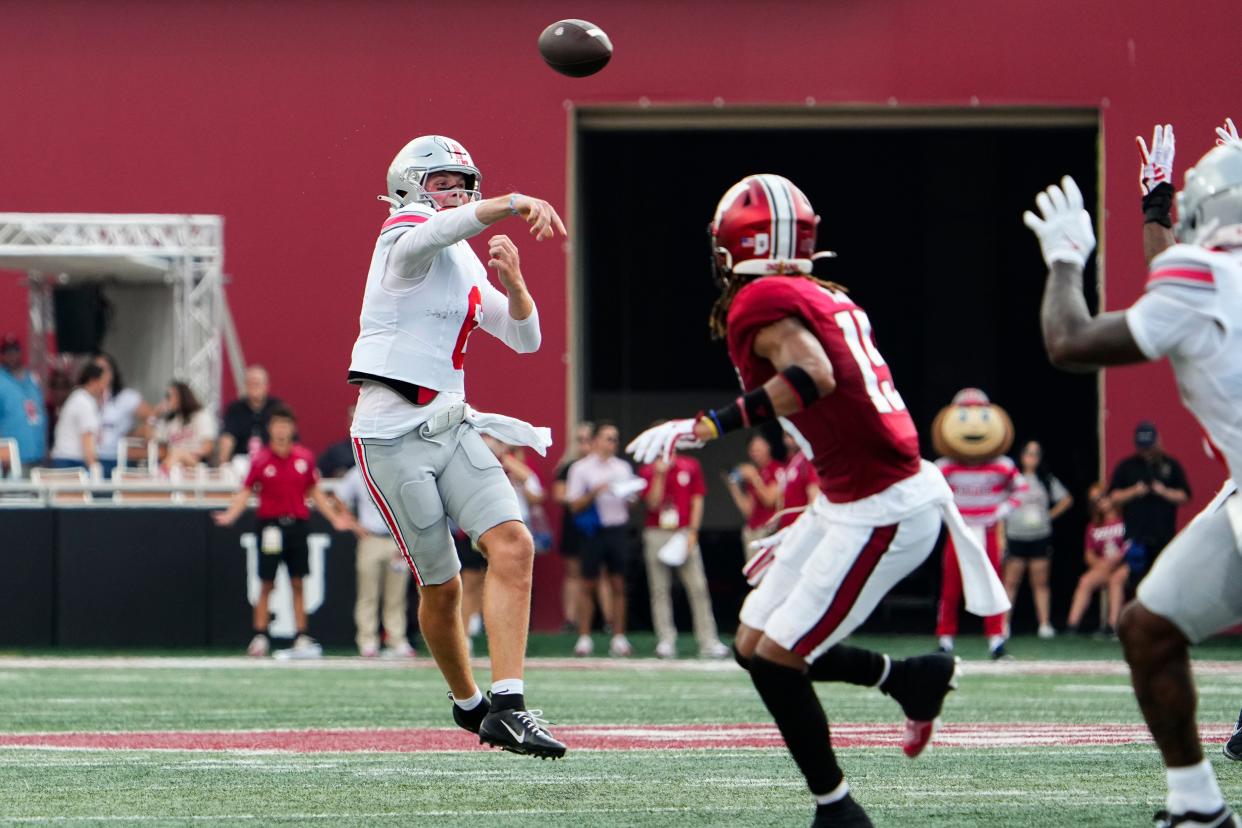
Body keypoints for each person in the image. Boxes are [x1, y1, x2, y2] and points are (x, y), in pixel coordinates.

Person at [627, 173, 1008, 827]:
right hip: (849, 498)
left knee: (779, 657)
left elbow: (813, 376)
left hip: (885, 508)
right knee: (751, 643)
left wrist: (707, 427)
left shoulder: (760, 301)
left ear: (730, 249)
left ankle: (837, 811)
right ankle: (907, 679)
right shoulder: (819, 293)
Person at [1022, 120, 1242, 825]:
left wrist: (1064, 260)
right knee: (1148, 625)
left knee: (1148, 629)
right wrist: (1155, 205)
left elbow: (1071, 343)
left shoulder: (1203, 274)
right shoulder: (1203, 278)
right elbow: (1179, 296)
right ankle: (1197, 805)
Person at [346, 134, 567, 758]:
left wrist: (517, 282)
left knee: (513, 544)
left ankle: (511, 704)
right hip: (391, 435)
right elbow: (432, 234)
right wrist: (514, 200)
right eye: (446, 182)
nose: (462, 193)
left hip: (451, 424)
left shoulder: (466, 258)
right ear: (412, 186)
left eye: (466, 183)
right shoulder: (400, 235)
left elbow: (524, 339)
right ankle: (469, 702)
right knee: (440, 587)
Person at [213, 405, 350, 658]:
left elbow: (314, 491)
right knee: (267, 582)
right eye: (277, 425)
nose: (281, 430)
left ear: (292, 428)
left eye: (285, 425)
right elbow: (246, 490)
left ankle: (301, 634)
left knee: (298, 581)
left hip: (297, 525)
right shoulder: (261, 459)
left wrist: (334, 517)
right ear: (270, 429)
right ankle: (261, 635)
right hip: (270, 527)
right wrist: (231, 514)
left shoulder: (304, 457)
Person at [931, 388, 1027, 659]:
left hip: (988, 529)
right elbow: (928, 494)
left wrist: (1002, 510)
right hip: (959, 531)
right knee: (951, 586)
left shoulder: (1003, 465)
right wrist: (945, 516)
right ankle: (945, 640)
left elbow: (1021, 489)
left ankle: (996, 640)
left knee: (992, 583)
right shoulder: (944, 466)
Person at [638, 439, 728, 659]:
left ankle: (708, 640)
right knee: (660, 589)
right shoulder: (648, 471)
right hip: (657, 531)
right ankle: (666, 639)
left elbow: (697, 500)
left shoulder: (690, 465)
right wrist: (659, 474)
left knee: (698, 587)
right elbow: (652, 503)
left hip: (683, 532)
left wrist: (694, 531)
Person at [566, 421, 640, 657]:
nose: (613, 443)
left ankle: (618, 637)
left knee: (618, 583)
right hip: (593, 532)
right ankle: (584, 637)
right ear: (596, 440)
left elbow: (634, 499)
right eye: (608, 438)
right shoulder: (580, 468)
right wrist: (595, 491)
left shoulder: (623, 468)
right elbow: (574, 505)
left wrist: (628, 493)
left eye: (615, 438)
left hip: (617, 529)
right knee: (588, 583)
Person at [334, 463, 415, 658]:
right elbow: (338, 497)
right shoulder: (359, 471)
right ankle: (367, 640)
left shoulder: (402, 470)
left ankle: (397, 639)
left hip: (397, 539)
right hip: (370, 538)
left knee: (396, 595)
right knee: (368, 593)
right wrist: (354, 524)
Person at [1003, 440, 1073, 639]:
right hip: (1015, 535)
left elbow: (1067, 499)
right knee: (1011, 582)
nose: (1032, 457)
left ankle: (1044, 624)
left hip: (1039, 536)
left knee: (1040, 582)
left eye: (1036, 453)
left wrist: (1049, 516)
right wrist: (1002, 536)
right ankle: (1004, 625)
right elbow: (1000, 504)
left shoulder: (1046, 479)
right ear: (1021, 455)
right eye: (1028, 453)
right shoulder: (1012, 479)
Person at [1108, 421, 1190, 585]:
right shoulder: (1127, 466)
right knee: (1137, 581)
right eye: (1143, 447)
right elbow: (1113, 497)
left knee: (1164, 580)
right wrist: (1134, 491)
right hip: (1136, 536)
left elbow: (1185, 496)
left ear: (1157, 441)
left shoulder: (1170, 465)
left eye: (1149, 446)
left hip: (1163, 535)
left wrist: (1163, 491)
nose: (1146, 451)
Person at [552, 421, 612, 632]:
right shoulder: (569, 467)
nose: (584, 444)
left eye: (588, 439)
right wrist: (584, 495)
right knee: (574, 573)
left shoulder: (608, 467)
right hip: (576, 524)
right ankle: (571, 620)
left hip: (602, 524)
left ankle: (608, 621)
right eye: (580, 440)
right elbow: (559, 495)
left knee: (603, 572)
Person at [1065, 483, 1129, 635]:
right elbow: (1089, 554)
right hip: (1103, 566)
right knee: (1085, 581)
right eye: (1095, 501)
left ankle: (1112, 625)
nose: (1100, 503)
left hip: (1125, 565)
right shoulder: (1093, 526)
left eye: (1102, 497)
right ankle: (1072, 626)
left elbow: (1130, 545)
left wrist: (1116, 560)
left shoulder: (1125, 520)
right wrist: (1100, 564)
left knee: (1116, 580)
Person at [93, 352, 152, 477]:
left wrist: (136, 434)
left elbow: (151, 417)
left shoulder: (126, 397)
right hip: (93, 457)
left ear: (112, 372)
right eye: (96, 369)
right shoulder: (85, 398)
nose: (100, 374)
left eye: (104, 369)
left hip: (118, 458)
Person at [724, 433, 782, 557]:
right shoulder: (756, 473)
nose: (756, 453)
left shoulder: (777, 469)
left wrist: (754, 477)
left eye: (759, 449)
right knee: (753, 573)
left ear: (768, 447)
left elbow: (770, 500)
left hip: (769, 531)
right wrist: (733, 486)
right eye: (753, 450)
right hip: (753, 532)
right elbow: (748, 511)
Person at [49, 362, 110, 471]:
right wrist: (94, 468)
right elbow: (87, 438)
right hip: (70, 462)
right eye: (104, 383)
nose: (105, 388)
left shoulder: (78, 398)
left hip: (66, 459)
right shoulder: (84, 402)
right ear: (93, 381)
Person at [217, 365, 283, 464]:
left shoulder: (277, 408)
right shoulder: (235, 408)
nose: (254, 387)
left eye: (257, 383)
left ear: (266, 385)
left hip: (272, 459)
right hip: (241, 460)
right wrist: (223, 464)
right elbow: (227, 437)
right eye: (250, 383)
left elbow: (288, 438)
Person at [0, 334, 47, 473]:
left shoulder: (32, 378)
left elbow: (40, 413)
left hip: (37, 453)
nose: (12, 355)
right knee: (17, 494)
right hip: (13, 458)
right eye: (7, 352)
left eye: (15, 350)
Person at [153, 381, 218, 472]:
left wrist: (187, 452)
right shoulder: (169, 420)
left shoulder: (200, 415)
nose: (168, 400)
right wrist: (154, 415)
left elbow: (208, 448)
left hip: (196, 462)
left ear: (181, 396)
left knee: (178, 453)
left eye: (170, 396)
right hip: (173, 462)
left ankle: (161, 477)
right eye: (166, 396)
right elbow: (153, 441)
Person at [776, 432, 819, 529]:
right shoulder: (791, 461)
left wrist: (805, 528)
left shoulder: (807, 458)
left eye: (791, 435)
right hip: (788, 528)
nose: (788, 439)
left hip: (800, 528)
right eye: (785, 435)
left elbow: (813, 498)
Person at [317, 405, 358, 479]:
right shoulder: (336, 451)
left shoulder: (379, 452)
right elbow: (318, 473)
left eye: (359, 420)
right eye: (353, 419)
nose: (356, 424)